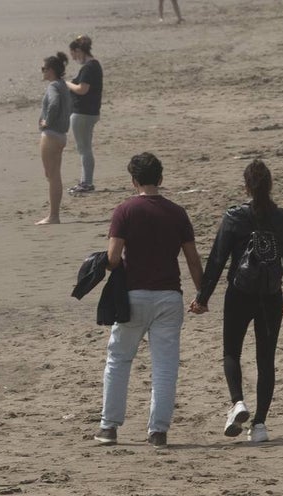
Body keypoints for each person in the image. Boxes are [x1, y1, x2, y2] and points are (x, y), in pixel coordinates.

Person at [93, 152, 204, 448]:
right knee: (165, 366)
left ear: (133, 180)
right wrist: (202, 295)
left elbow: (115, 258)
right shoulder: (177, 212)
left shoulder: (125, 211)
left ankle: (109, 426)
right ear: (161, 178)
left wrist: (98, 263)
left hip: (133, 296)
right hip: (169, 296)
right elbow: (192, 260)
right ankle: (158, 431)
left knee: (119, 359)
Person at [191, 159, 283, 444]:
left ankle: (237, 402)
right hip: (271, 296)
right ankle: (260, 425)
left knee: (231, 352)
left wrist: (202, 298)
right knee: (266, 360)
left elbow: (217, 260)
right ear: (270, 186)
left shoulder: (234, 217)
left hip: (239, 294)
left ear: (246, 187)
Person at [37, 52, 71, 225]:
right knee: (53, 174)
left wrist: (47, 121)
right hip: (61, 135)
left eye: (43, 69)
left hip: (51, 134)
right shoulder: (63, 84)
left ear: (51, 70)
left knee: (52, 175)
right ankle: (54, 214)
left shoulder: (53, 87)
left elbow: (55, 103)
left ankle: (53, 216)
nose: (42, 72)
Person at [64, 35, 102, 194]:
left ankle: (86, 182)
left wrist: (65, 83)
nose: (74, 58)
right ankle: (86, 181)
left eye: (73, 55)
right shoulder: (94, 65)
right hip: (89, 112)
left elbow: (82, 89)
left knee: (84, 149)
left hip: (83, 113)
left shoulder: (88, 67)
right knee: (85, 148)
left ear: (79, 51)